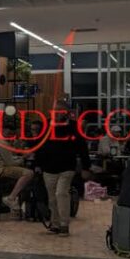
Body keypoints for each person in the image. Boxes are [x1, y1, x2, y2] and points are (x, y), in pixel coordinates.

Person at [34, 98, 91, 236]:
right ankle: (55, 224)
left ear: (66, 112)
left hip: (67, 167)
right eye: (55, 111)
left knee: (61, 194)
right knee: (52, 198)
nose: (57, 113)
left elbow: (82, 147)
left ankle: (64, 224)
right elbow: (39, 146)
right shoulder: (46, 125)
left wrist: (86, 167)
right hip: (49, 167)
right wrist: (37, 164)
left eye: (60, 111)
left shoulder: (74, 126)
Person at [0, 137, 34, 212]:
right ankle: (11, 198)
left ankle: (16, 202)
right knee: (29, 173)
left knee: (24, 180)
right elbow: (11, 163)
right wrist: (24, 158)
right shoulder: (3, 144)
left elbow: (9, 159)